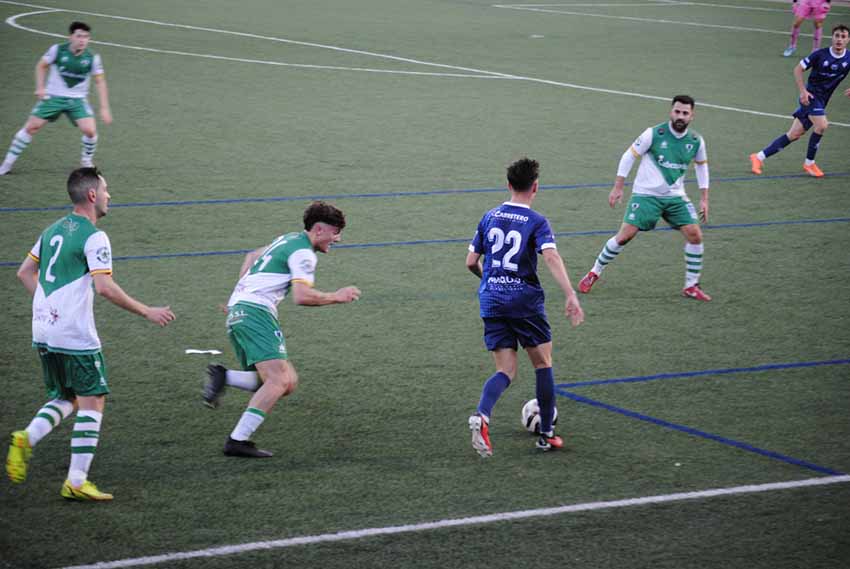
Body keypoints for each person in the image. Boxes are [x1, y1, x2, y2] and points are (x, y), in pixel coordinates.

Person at [6, 168, 175, 500]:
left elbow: (24, 272)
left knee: (66, 396)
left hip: (43, 328)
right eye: (106, 189)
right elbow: (104, 287)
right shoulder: (94, 236)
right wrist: (147, 311)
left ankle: (27, 438)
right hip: (72, 332)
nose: (110, 195)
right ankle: (76, 481)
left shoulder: (51, 230)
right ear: (92, 195)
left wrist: (48, 305)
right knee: (93, 399)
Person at [202, 201, 361, 458]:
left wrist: (238, 296)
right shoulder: (304, 253)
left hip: (239, 312)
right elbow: (302, 296)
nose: (338, 238)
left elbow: (252, 256)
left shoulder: (287, 238)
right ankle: (237, 440)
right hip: (256, 314)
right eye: (335, 232)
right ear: (319, 229)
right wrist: (337, 296)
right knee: (278, 380)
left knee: (288, 382)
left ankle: (224, 376)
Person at [466, 158, 584, 457]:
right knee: (542, 364)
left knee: (505, 370)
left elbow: (470, 262)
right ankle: (546, 435)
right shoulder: (537, 221)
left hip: (491, 299)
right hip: (524, 301)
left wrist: (491, 281)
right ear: (535, 187)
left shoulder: (489, 216)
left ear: (508, 185)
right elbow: (551, 256)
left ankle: (482, 415)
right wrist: (570, 294)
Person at [578, 95, 711, 302]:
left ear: (692, 116)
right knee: (624, 236)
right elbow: (629, 156)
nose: (680, 116)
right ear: (671, 111)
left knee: (695, 235)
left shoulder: (696, 141)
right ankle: (594, 272)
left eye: (685, 113)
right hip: (646, 195)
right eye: (677, 111)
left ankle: (691, 285)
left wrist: (704, 198)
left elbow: (702, 167)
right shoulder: (653, 134)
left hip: (676, 198)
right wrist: (618, 187)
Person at [0, 22, 112, 176]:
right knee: (31, 127)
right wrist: (40, 87)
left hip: (77, 100)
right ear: (71, 37)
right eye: (79, 36)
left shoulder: (93, 58)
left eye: (86, 37)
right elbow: (41, 66)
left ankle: (86, 161)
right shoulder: (57, 50)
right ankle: (6, 165)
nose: (82, 40)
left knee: (90, 131)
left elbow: (100, 81)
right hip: (53, 97)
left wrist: (104, 107)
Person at [751, 24, 850, 178]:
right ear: (832, 37)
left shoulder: (848, 57)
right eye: (837, 36)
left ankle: (758, 157)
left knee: (794, 134)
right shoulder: (819, 55)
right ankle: (809, 163)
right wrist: (803, 91)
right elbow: (798, 69)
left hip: (822, 101)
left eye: (843, 37)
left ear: (848, 40)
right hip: (810, 98)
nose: (839, 39)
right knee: (822, 125)